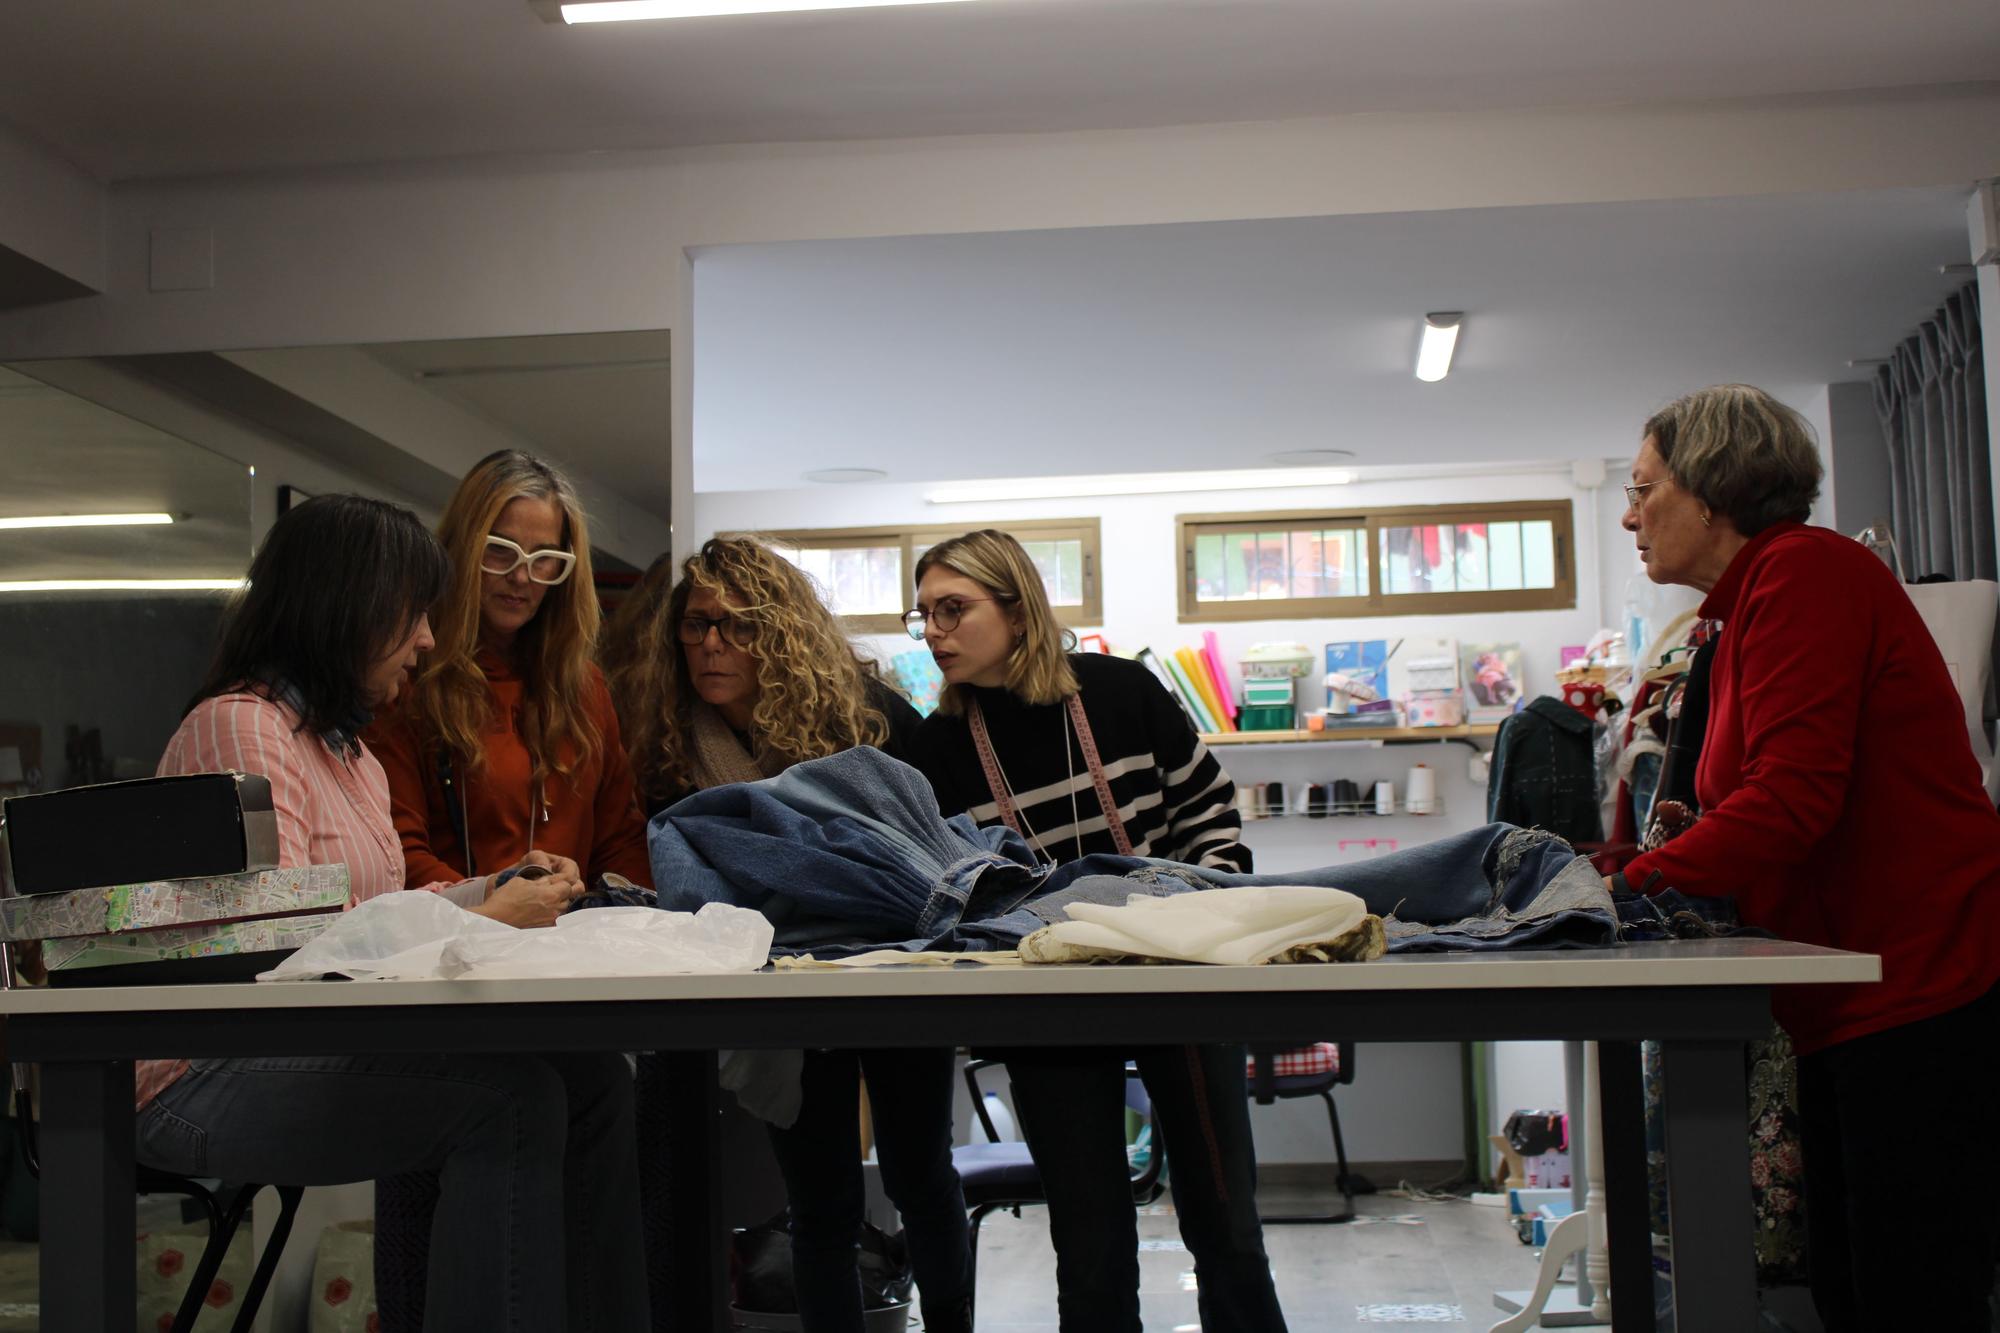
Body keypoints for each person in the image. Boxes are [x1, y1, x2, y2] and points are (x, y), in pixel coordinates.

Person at [141, 494, 650, 1330]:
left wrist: (494, 889)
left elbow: (377, 913)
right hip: (200, 1074)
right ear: (350, 608)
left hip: (293, 1048)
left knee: (591, 1074)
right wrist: (487, 920)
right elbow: (293, 959)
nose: (426, 637)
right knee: (508, 1101)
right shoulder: (242, 730)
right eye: (413, 614)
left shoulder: (344, 750)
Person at [1611, 384, 2000, 1331]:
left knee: (1906, 1293)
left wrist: (1627, 887)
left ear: (1712, 492)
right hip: (1852, 990)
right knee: (1851, 1282)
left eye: (1645, 488)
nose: (1630, 513)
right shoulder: (1738, 613)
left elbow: (1789, 802)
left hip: (1914, 980)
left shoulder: (1804, 576)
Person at [903, 529, 1286, 1333]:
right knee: (1088, 1248)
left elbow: (1211, 818)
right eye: (923, 615)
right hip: (1047, 1001)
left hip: (1181, 975)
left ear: (1016, 609)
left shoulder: (1123, 694)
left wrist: (1205, 915)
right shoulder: (934, 750)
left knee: (1226, 1229)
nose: (934, 630)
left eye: (952, 608)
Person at [603, 536, 969, 1333]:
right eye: (696, 627)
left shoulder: (870, 720)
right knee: (820, 1199)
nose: (710, 646)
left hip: (893, 967)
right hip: (774, 982)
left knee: (920, 1174)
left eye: (736, 627)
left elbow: (931, 850)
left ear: (780, 634)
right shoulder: (668, 743)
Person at [367, 449, 652, 892]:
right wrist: (496, 906)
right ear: (462, 547)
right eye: (500, 552)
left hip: (573, 948)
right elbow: (396, 851)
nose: (522, 577)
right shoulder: (408, 679)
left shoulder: (585, 689)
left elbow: (619, 842)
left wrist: (624, 912)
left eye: (544, 558)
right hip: (454, 945)